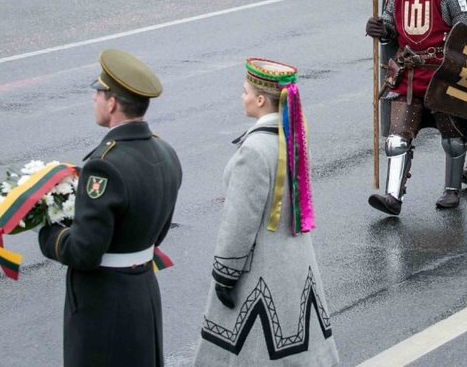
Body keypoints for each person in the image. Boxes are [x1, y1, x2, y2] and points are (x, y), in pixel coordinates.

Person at [39, 49, 183, 367]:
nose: (95, 100)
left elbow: (85, 252)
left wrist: (49, 233)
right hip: (144, 291)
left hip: (105, 304)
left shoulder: (104, 167)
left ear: (112, 103)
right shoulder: (167, 153)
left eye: (98, 93)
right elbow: (157, 235)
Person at [195, 59, 339, 366]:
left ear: (261, 99)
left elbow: (239, 223)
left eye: (245, 91)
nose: (242, 96)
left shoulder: (253, 150)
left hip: (261, 271)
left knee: (254, 350)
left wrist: (226, 273)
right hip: (296, 263)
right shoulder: (294, 138)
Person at [365, 0, 467, 214]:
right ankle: (393, 196)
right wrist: (381, 29)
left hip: (441, 73)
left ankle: (452, 189)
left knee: (453, 139)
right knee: (396, 139)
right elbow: (392, 29)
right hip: (408, 73)